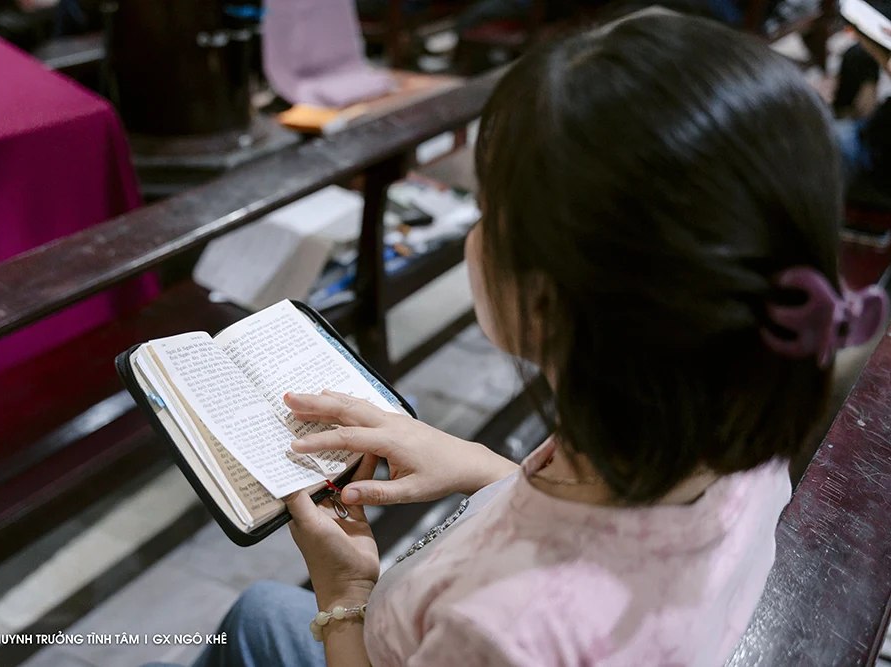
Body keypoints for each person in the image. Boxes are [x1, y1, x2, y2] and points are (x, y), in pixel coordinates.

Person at [147, 12, 889, 667]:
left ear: (545, 301)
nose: (476, 232)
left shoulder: (505, 631)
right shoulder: (731, 413)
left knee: (255, 617)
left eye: (488, 210)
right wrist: (475, 466)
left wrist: (345, 593)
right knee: (256, 614)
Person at [833, 29, 891, 190]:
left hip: (877, 154)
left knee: (826, 140)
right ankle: (850, 115)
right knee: (858, 54)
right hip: (875, 127)